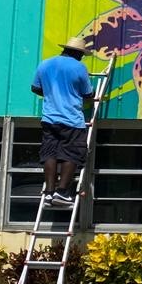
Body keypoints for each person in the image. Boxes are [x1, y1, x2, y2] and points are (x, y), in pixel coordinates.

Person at [31, 36, 94, 207]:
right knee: (72, 153)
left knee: (50, 153)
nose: (82, 57)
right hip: (71, 119)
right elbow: (88, 94)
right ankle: (62, 192)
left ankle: (49, 193)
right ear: (77, 53)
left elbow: (35, 88)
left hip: (49, 118)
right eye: (81, 54)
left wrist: (52, 94)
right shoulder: (79, 67)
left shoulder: (45, 64)